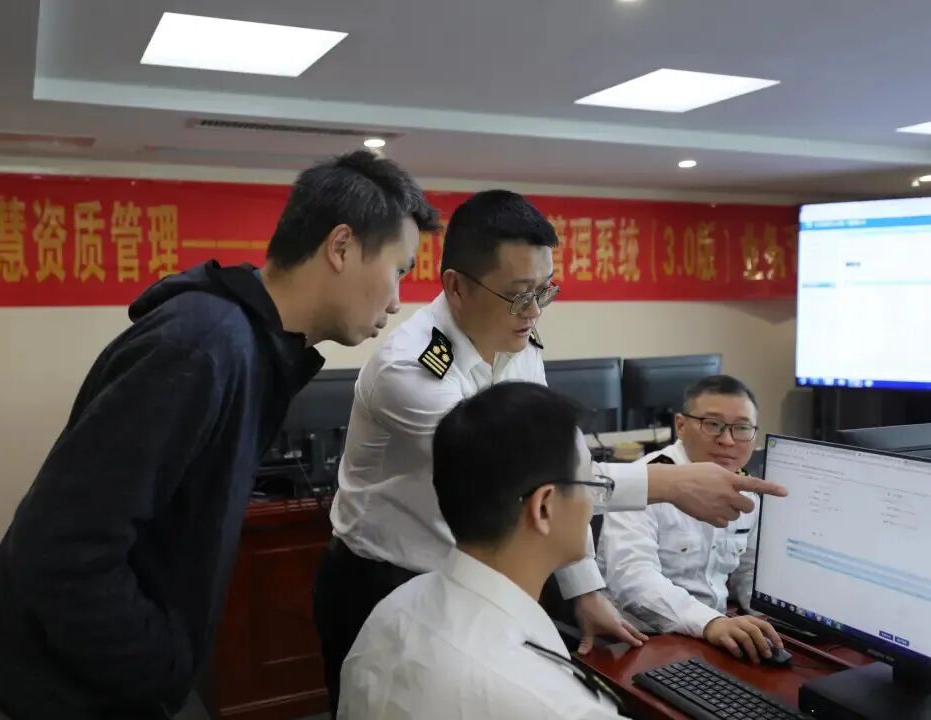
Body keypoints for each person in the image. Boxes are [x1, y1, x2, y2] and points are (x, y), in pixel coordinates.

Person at [0, 150, 441, 720]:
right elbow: (64, 550)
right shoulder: (202, 348)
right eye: (399, 270)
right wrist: (160, 668)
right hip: (45, 690)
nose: (397, 300)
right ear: (340, 247)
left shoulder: (249, 346)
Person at [314, 190, 788, 714]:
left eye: (545, 291)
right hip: (386, 576)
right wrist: (670, 483)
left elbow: (559, 463)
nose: (535, 311)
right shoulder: (411, 370)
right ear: (456, 286)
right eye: (520, 295)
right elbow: (528, 478)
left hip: (476, 579)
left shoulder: (518, 342)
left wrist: (585, 589)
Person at [339, 382, 623, 719]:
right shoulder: (555, 705)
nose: (592, 501)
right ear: (544, 507)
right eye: (589, 482)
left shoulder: (392, 610)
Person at [598, 375, 784, 663]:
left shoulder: (748, 489)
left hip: (715, 639)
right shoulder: (645, 482)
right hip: (639, 643)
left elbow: (750, 574)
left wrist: (777, 626)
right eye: (712, 424)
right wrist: (709, 622)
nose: (727, 440)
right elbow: (632, 580)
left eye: (742, 428)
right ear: (681, 426)